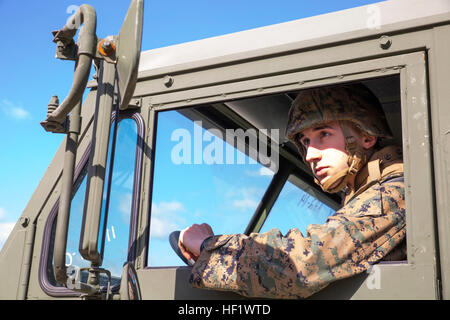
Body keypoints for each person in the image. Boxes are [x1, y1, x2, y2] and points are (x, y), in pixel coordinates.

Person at [179, 83, 406, 299]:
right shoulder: (367, 193)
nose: (310, 155)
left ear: (366, 136)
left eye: (323, 134)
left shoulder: (394, 191)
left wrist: (208, 246)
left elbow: (304, 264)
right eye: (306, 142)